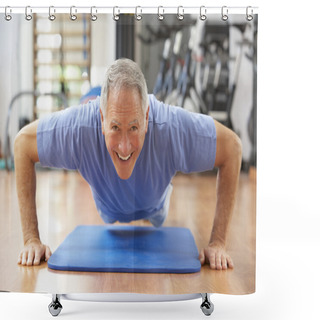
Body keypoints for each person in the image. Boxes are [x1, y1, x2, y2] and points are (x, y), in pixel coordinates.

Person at [15, 58, 242, 270]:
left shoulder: (171, 128)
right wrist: (30, 239)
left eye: (134, 127)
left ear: (147, 116)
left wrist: (218, 243)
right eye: (115, 128)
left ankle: (148, 207)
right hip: (108, 207)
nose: (124, 146)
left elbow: (232, 147)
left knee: (155, 212)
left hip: (155, 205)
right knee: (112, 213)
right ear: (102, 119)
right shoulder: (78, 129)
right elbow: (23, 144)